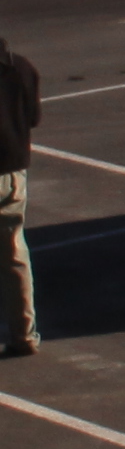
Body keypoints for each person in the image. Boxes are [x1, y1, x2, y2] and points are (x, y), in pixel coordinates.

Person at [0, 19, 37, 355]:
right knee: (14, 253)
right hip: (12, 171)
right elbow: (33, 117)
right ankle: (23, 333)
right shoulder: (23, 68)